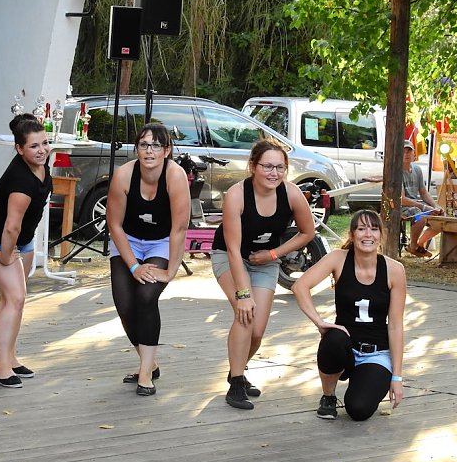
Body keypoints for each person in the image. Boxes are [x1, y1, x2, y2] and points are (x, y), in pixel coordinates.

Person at [211, 138, 315, 409]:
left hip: (265, 261)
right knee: (245, 315)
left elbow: (308, 232)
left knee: (257, 331)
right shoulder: (236, 195)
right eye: (267, 166)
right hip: (230, 256)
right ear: (253, 166)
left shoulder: (291, 194)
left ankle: (237, 370)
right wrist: (243, 294)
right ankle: (236, 384)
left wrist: (273, 254)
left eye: (280, 167)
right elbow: (233, 249)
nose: (274, 173)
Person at [293, 210, 407, 421]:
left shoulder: (395, 270)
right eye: (361, 229)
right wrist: (320, 322)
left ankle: (362, 378)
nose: (368, 234)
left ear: (381, 235)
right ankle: (328, 396)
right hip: (345, 346)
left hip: (376, 353)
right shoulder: (338, 259)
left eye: (374, 229)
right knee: (333, 339)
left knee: (358, 410)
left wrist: (397, 377)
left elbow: (395, 325)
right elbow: (300, 286)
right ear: (352, 235)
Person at [107, 123, 190, 396]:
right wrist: (133, 265)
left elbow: (179, 228)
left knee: (146, 296)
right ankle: (149, 362)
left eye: (156, 145)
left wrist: (171, 271)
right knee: (124, 304)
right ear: (137, 149)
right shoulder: (123, 175)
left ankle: (145, 374)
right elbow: (114, 225)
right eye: (144, 145)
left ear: (167, 150)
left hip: (161, 241)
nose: (149, 151)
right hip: (128, 241)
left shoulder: (175, 176)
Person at [0, 116, 53, 388]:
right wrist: (6, 256)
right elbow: (11, 227)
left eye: (45, 143)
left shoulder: (40, 167)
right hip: (0, 242)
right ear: (19, 149)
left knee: (12, 300)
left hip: (23, 242)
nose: (42, 150)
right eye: (34, 146)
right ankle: (2, 368)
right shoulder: (21, 180)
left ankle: (9, 358)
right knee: (15, 298)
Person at [401, 139, 444, 257]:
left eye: (409, 151)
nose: (406, 154)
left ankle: (420, 243)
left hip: (416, 205)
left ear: (414, 153)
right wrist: (425, 207)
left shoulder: (417, 169)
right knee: (420, 217)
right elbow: (402, 199)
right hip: (401, 207)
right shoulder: (396, 172)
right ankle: (413, 246)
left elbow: (423, 192)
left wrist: (435, 206)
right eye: (403, 151)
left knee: (442, 217)